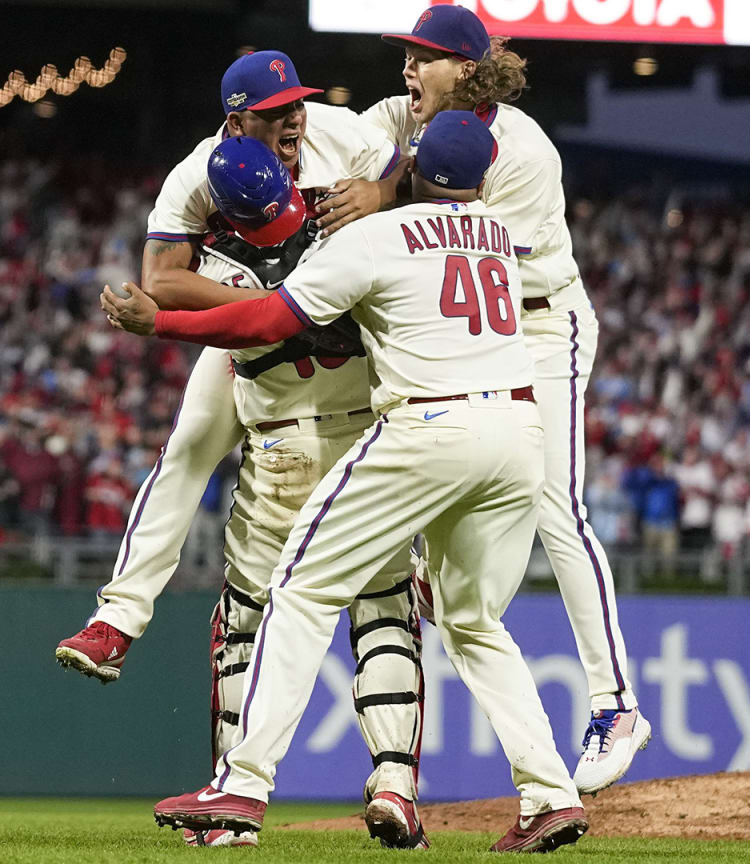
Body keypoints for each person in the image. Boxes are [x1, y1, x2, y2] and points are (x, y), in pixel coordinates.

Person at [117, 112, 588, 854]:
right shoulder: (500, 233)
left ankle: (242, 783)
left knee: (300, 590)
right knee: (471, 622)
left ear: (412, 172)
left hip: (430, 429)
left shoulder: (377, 234)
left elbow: (269, 316)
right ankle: (550, 793)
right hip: (518, 435)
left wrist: (164, 321)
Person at [54, 51, 418, 850]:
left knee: (295, 600)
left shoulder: (338, 132)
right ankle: (117, 619)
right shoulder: (194, 175)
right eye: (278, 108)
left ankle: (275, 787)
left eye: (297, 102)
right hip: (266, 335)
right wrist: (271, 307)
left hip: (342, 343)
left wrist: (381, 193)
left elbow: (403, 182)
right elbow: (161, 279)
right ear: (238, 116)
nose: (295, 117)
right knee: (187, 445)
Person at [320, 5, 648, 792]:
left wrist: (385, 194)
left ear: (466, 69)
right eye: (405, 56)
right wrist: (362, 177)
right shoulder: (398, 114)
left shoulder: (526, 150)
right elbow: (341, 148)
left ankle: (616, 702)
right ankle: (445, 576)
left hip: (539, 323)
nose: (406, 71)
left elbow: (471, 254)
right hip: (462, 331)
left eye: (422, 58)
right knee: (445, 476)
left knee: (556, 505)